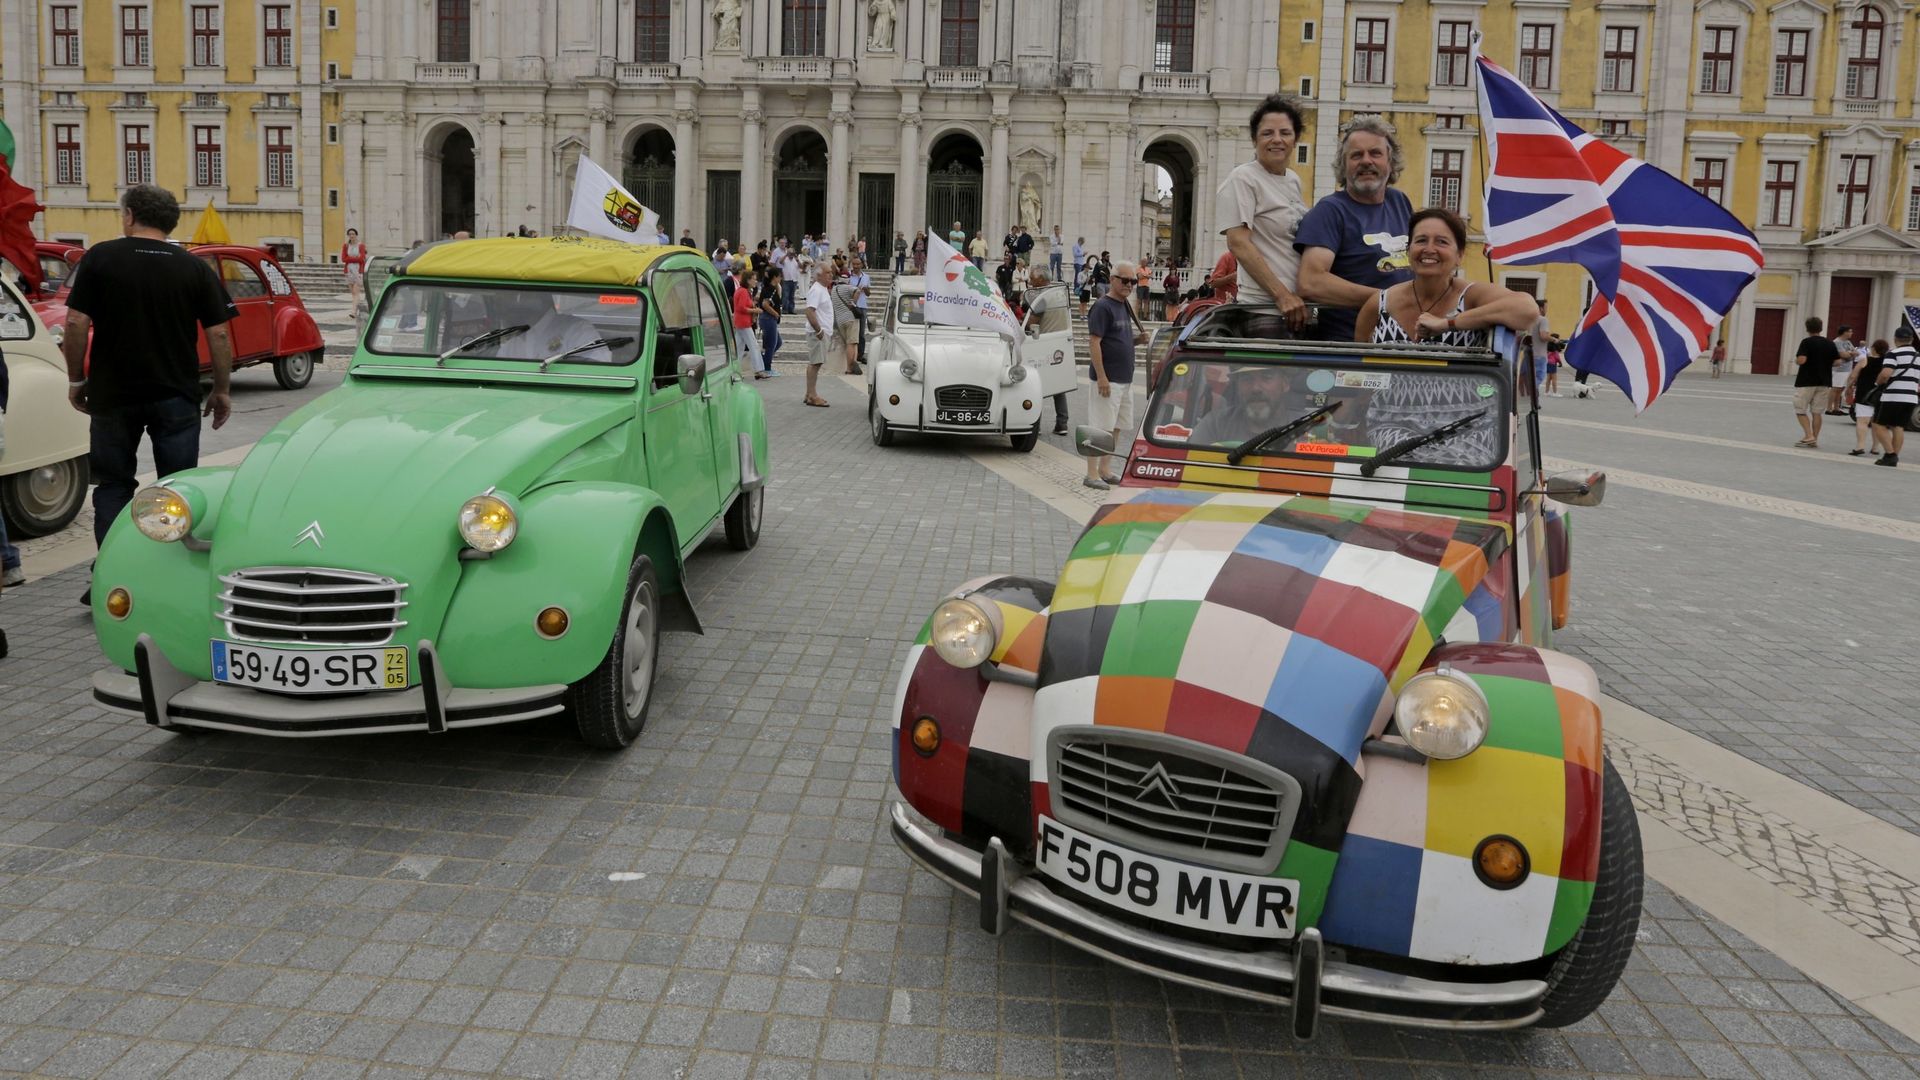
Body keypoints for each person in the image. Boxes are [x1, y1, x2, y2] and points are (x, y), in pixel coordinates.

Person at [63, 184, 237, 603]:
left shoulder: (100, 257)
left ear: (129, 216)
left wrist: (76, 379)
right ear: (170, 221)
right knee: (177, 488)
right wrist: (222, 389)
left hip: (113, 393)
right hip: (175, 394)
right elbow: (218, 333)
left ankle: (111, 573)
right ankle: (170, 577)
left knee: (112, 486)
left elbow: (74, 323)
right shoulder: (192, 267)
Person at [1296, 115, 1413, 341]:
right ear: (1344, 164)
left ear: (1390, 161)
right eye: (1356, 155)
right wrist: (1386, 300)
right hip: (1351, 347)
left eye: (1375, 153)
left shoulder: (1399, 202)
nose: (1366, 161)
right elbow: (1310, 282)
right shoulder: (1330, 211)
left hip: (1402, 341)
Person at [1354, 208, 1541, 346]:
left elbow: (1527, 311)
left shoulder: (1470, 296)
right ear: (1408, 250)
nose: (1429, 249)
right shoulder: (1380, 303)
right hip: (1386, 401)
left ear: (1459, 255)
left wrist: (1447, 324)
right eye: (1421, 241)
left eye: (1441, 242)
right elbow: (1357, 374)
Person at [1217, 93, 1312, 332]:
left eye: (1285, 133)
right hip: (1263, 310)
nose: (1276, 140)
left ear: (1296, 138)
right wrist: (1282, 296)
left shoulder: (1293, 180)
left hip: (1297, 308)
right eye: (1267, 133)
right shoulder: (1243, 178)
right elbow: (1238, 243)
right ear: (1254, 139)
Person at [1084, 260, 1146, 489]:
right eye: (1125, 280)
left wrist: (1139, 340)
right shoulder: (1103, 306)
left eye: (1133, 281)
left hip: (1124, 379)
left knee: (1116, 427)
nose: (1129, 285)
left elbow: (1121, 340)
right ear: (1112, 279)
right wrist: (1101, 376)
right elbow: (1094, 342)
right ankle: (1091, 473)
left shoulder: (1125, 306)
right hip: (1108, 379)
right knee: (1100, 427)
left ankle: (1105, 468)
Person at [489, 291, 613, 363]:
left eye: (511, 301)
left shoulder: (576, 330)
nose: (503, 311)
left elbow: (597, 370)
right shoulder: (513, 342)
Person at [1191, 366, 1295, 445]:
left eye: (1266, 378)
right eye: (1247, 379)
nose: (1255, 388)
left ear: (1285, 384)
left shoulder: (1305, 426)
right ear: (1237, 386)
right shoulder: (1216, 424)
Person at [1871, 325, 1919, 466]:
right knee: (1898, 426)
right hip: (1911, 396)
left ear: (1895, 339)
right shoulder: (1918, 356)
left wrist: (1877, 383)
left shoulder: (1893, 354)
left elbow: (1886, 374)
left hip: (1893, 395)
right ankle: (1893, 456)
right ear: (1911, 339)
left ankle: (1890, 454)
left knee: (1878, 424)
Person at [1791, 316, 1839, 448]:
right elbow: (1837, 361)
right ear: (1821, 328)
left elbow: (1801, 360)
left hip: (1807, 380)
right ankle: (1815, 439)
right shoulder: (1830, 343)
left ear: (1807, 328)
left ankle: (1808, 435)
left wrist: (1796, 361)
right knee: (1817, 412)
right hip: (1824, 381)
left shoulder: (1806, 342)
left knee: (1800, 409)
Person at [1849, 338, 1888, 457]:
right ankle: (1875, 447)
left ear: (1874, 349)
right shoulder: (1887, 362)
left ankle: (1860, 446)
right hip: (1880, 394)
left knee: (1862, 421)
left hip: (1864, 394)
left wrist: (1848, 388)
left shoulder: (1864, 360)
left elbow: (1853, 376)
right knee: (1877, 421)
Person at [804, 263, 835, 407]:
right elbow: (810, 311)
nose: (831, 275)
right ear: (818, 275)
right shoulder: (816, 290)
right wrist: (819, 330)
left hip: (822, 332)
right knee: (815, 364)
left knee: (816, 363)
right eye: (827, 272)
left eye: (831, 272)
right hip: (818, 333)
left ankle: (809, 393)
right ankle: (812, 395)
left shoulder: (822, 289)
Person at [830, 268, 861, 376]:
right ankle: (849, 368)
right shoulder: (848, 287)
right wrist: (853, 303)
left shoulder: (834, 289)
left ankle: (851, 365)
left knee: (850, 344)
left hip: (840, 320)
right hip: (850, 318)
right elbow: (858, 290)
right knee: (851, 344)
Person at [757, 268, 784, 378]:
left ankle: (763, 361)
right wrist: (775, 314)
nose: (781, 278)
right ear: (775, 277)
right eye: (779, 276)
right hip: (768, 319)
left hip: (768, 319)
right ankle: (767, 368)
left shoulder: (771, 288)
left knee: (778, 342)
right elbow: (765, 304)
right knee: (771, 344)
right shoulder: (771, 289)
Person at [1828, 325, 1859, 416]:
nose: (1851, 333)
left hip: (1847, 368)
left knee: (1841, 389)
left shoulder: (1848, 342)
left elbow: (1855, 352)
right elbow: (1843, 355)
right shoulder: (1837, 342)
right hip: (1839, 369)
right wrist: (1851, 354)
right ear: (1844, 332)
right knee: (1835, 388)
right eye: (1850, 331)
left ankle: (1837, 407)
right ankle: (1829, 408)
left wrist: (1850, 353)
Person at [848, 257, 872, 369]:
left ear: (862, 265)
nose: (856, 266)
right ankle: (849, 355)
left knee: (861, 333)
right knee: (850, 332)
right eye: (854, 264)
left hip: (862, 306)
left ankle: (860, 355)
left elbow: (868, 294)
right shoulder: (848, 276)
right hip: (851, 306)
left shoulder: (866, 277)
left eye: (858, 264)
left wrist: (866, 289)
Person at [341, 227, 368, 311]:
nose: (351, 235)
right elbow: (343, 259)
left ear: (356, 235)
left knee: (356, 292)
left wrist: (349, 258)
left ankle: (353, 312)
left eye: (353, 234)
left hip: (358, 271)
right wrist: (354, 258)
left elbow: (361, 259)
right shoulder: (345, 246)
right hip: (348, 271)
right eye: (350, 234)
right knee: (353, 293)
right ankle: (358, 310)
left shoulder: (361, 245)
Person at [779, 243, 802, 313]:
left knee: (792, 297)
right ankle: (785, 309)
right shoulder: (785, 259)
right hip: (786, 280)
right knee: (785, 296)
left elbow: (801, 267)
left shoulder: (796, 260)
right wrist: (786, 254)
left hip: (794, 280)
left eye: (792, 253)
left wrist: (797, 259)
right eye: (790, 253)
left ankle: (791, 309)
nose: (791, 254)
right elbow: (780, 261)